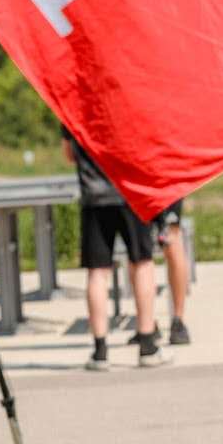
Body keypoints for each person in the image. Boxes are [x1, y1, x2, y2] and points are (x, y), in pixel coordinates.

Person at [62, 130, 169, 369]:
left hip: (95, 196)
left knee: (97, 272)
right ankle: (147, 345)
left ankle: (100, 350)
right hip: (132, 190)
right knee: (142, 262)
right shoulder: (130, 93)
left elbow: (69, 154)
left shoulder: (75, 97)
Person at [154, 200, 191, 346]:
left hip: (163, 184)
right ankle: (148, 324)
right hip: (162, 183)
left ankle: (176, 320)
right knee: (141, 255)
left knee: (171, 242)